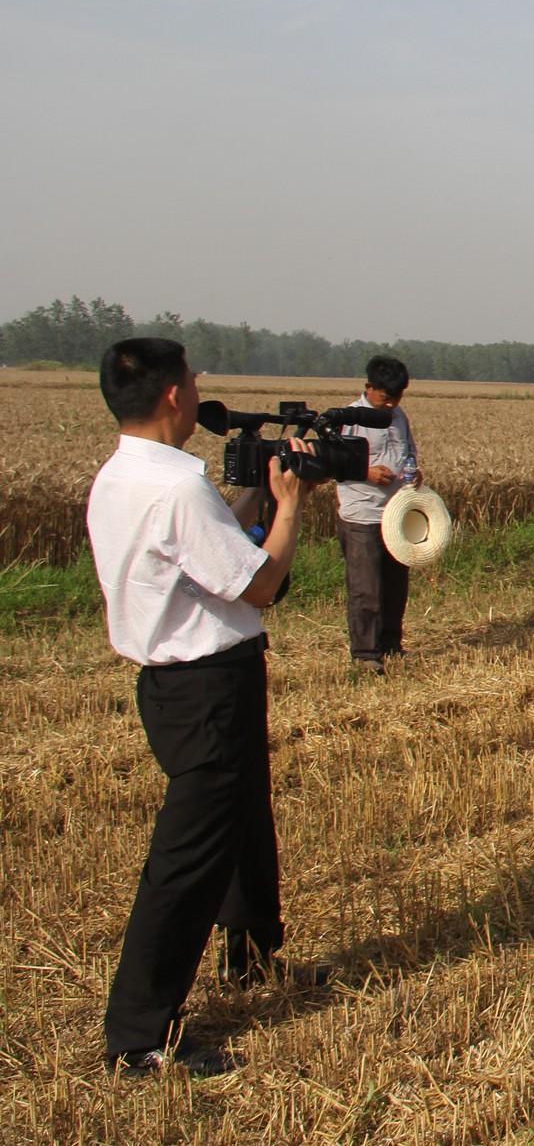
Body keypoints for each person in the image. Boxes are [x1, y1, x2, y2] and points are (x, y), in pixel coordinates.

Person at [87, 338, 329, 1079]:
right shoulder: (177, 489)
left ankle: (253, 956)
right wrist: (289, 507)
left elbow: (203, 549)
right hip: (207, 689)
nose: (198, 388)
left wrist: (253, 495)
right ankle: (139, 1034)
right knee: (187, 860)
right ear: (170, 396)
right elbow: (256, 584)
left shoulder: (120, 476)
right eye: (191, 379)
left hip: (173, 687)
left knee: (243, 822)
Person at [334, 355, 420, 672]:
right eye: (386, 397)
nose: (391, 404)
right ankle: (365, 654)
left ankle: (390, 645)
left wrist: (414, 472)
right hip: (361, 514)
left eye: (397, 397)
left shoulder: (399, 417)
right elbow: (333, 462)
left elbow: (408, 452)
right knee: (365, 587)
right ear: (368, 388)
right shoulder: (348, 418)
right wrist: (366, 472)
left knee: (396, 587)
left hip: (396, 514)